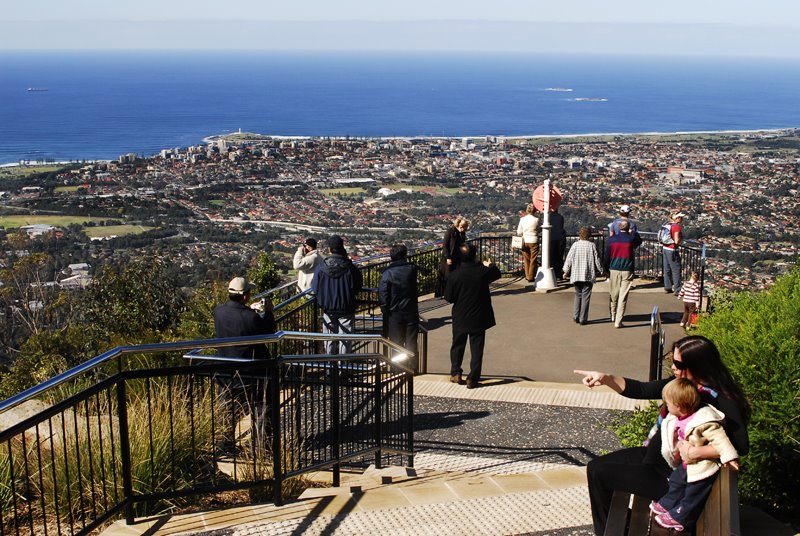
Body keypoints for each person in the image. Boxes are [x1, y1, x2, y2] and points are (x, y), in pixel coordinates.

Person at [573, 335, 750, 536]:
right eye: (671, 361)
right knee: (595, 467)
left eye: (677, 363)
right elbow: (641, 389)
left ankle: (609, 531)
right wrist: (605, 378)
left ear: (698, 365)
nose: (673, 367)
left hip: (671, 477)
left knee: (600, 474)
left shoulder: (720, 399)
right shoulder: (684, 384)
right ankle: (609, 529)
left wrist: (696, 451)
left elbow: (740, 446)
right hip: (655, 457)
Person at [651, 378, 739, 532]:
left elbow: (721, 441)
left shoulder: (705, 421)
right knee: (676, 481)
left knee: (693, 494)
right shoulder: (680, 416)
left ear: (678, 406)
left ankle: (680, 517)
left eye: (668, 403)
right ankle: (669, 502)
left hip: (702, 467)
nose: (666, 405)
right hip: (688, 463)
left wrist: (730, 458)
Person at [444, 243, 501, 389]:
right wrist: (489, 265)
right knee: (477, 348)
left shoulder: (454, 275)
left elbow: (449, 298)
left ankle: (455, 373)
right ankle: (473, 378)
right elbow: (496, 273)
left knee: (457, 345)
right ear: (474, 256)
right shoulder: (482, 271)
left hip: (460, 315)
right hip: (479, 314)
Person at [312, 235, 363, 355]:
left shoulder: (321, 268)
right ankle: (342, 368)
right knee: (345, 340)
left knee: (329, 339)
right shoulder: (350, 268)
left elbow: (315, 288)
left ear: (329, 249)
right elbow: (357, 287)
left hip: (328, 308)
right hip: (346, 308)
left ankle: (329, 368)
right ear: (342, 248)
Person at [213, 276, 276, 359]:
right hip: (248, 366)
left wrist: (249, 309)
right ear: (244, 296)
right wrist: (268, 312)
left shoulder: (218, 311)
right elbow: (269, 333)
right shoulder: (250, 317)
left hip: (224, 362)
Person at [378, 244, 419, 364]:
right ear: (405, 255)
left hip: (394, 312)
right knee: (411, 341)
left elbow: (383, 292)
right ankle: (412, 367)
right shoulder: (412, 270)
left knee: (396, 343)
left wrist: (385, 308)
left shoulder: (388, 273)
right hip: (411, 310)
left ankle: (399, 367)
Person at [562, 226, 604, 325]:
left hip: (576, 275)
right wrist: (602, 271)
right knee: (586, 297)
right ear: (589, 235)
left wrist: (566, 271)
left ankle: (576, 316)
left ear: (579, 235)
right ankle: (583, 319)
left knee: (578, 295)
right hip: (588, 275)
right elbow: (597, 260)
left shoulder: (575, 245)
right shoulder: (592, 245)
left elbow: (569, 259)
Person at [604, 219, 641, 328]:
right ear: (628, 228)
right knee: (623, 296)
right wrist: (633, 232)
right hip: (627, 269)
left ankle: (613, 315)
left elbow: (607, 256)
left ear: (619, 227)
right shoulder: (631, 239)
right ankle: (618, 321)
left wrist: (606, 269)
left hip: (614, 268)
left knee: (613, 293)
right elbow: (639, 240)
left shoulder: (611, 240)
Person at [435, 217, 468, 297]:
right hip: (448, 257)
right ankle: (442, 293)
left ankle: (452, 292)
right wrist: (448, 257)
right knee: (446, 275)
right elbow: (445, 245)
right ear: (458, 225)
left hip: (457, 257)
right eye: (461, 227)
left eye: (464, 228)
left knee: (455, 275)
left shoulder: (462, 233)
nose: (463, 229)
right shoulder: (450, 232)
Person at [516, 204, 541, 283]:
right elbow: (539, 229)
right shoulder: (536, 219)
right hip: (533, 240)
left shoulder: (522, 219)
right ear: (534, 211)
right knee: (533, 259)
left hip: (525, 240)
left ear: (527, 210)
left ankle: (527, 276)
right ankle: (531, 276)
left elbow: (519, 232)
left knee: (526, 259)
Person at [663, 211, 685, 294]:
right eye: (681, 217)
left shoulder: (667, 224)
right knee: (676, 269)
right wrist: (681, 238)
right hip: (672, 250)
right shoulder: (676, 227)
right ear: (677, 218)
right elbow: (676, 241)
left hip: (665, 248)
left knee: (667, 269)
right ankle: (677, 289)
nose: (682, 219)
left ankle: (667, 287)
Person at [549, 207, 567, 280]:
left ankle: (553, 274)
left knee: (552, 258)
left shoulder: (548, 218)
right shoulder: (560, 217)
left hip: (552, 239)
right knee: (560, 257)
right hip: (560, 239)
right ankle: (559, 274)